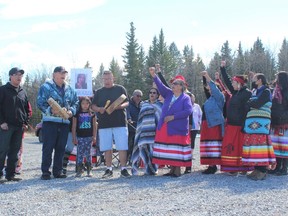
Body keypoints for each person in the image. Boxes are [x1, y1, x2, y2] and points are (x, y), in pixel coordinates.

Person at [149, 67, 192, 177]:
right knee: (169, 148)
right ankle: (172, 170)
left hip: (178, 127)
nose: (173, 85)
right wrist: (154, 75)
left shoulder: (185, 98)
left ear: (182, 86)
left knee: (176, 147)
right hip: (165, 126)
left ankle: (177, 170)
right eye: (172, 83)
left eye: (176, 84)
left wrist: (173, 117)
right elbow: (160, 86)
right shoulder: (168, 94)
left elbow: (188, 111)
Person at [37, 66, 78, 180]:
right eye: (61, 73)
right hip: (50, 122)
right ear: (54, 74)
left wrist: (71, 111)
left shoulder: (70, 89)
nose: (63, 75)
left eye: (65, 73)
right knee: (48, 147)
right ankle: (45, 171)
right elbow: (40, 102)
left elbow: (76, 103)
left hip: (64, 122)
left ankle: (58, 171)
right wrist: (51, 110)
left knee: (61, 148)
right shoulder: (46, 87)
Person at [91, 70, 131, 178]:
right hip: (104, 123)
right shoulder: (99, 92)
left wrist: (119, 107)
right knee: (107, 147)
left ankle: (123, 169)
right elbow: (92, 106)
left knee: (122, 146)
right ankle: (109, 169)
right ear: (102, 80)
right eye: (105, 79)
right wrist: (99, 109)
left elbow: (127, 102)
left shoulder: (120, 89)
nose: (107, 81)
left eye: (109, 79)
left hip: (120, 122)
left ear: (113, 78)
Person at [219, 61, 253, 175]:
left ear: (239, 83)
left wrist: (244, 124)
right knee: (230, 146)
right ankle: (232, 167)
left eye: (234, 82)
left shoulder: (247, 93)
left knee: (239, 147)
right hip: (231, 124)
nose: (232, 84)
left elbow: (247, 110)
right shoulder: (236, 92)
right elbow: (227, 81)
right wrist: (223, 69)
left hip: (240, 125)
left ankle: (242, 167)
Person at [242, 73, 276, 180]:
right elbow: (251, 103)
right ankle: (256, 168)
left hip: (261, 123)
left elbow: (257, 104)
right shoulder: (256, 91)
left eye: (255, 79)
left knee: (260, 144)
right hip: (253, 123)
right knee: (253, 144)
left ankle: (262, 170)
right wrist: (251, 102)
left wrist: (250, 102)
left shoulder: (266, 91)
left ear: (260, 80)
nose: (253, 81)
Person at [0, 67, 30, 182]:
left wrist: (25, 122)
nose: (19, 77)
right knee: (2, 150)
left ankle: (10, 175)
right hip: (6, 126)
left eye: (21, 75)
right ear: (10, 76)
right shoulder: (3, 90)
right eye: (17, 74)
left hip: (19, 127)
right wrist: (1, 122)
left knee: (14, 152)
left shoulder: (23, 92)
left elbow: (27, 109)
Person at [131, 87, 163, 175]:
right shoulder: (144, 104)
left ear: (157, 95)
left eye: (154, 93)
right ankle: (146, 168)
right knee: (143, 149)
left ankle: (153, 169)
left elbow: (160, 118)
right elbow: (141, 118)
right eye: (150, 92)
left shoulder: (160, 105)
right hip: (144, 131)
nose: (152, 94)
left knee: (153, 150)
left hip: (155, 131)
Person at [200, 71, 225, 174]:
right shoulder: (210, 99)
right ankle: (210, 164)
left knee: (213, 144)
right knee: (207, 144)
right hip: (206, 124)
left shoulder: (219, 98)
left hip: (214, 125)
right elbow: (206, 88)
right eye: (209, 90)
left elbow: (213, 88)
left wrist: (207, 76)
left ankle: (213, 165)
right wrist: (203, 78)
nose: (210, 91)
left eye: (211, 89)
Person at [72, 97, 97, 177]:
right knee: (80, 153)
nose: (85, 105)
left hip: (89, 136)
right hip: (80, 136)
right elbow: (74, 125)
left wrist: (94, 136)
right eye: (83, 103)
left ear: (89, 104)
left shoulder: (92, 114)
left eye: (87, 103)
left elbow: (94, 125)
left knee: (88, 153)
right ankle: (79, 169)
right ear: (80, 104)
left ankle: (89, 169)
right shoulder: (77, 113)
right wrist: (74, 137)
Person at [270, 71, 288, 175]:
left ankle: (284, 168)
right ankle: (277, 167)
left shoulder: (286, 91)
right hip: (275, 122)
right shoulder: (275, 91)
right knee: (276, 145)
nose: (276, 80)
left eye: (277, 78)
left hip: (284, 123)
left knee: (284, 146)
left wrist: (283, 116)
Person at [184, 92, 202, 174]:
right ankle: (186, 157)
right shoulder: (185, 105)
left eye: (192, 97)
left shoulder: (197, 106)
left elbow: (200, 115)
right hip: (186, 127)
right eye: (189, 97)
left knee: (192, 141)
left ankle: (190, 155)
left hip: (195, 127)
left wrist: (200, 123)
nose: (191, 99)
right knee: (186, 142)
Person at [127, 89, 143, 164]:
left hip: (140, 128)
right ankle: (129, 158)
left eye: (140, 96)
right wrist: (129, 119)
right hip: (131, 128)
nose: (139, 98)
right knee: (130, 144)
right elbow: (127, 114)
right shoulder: (128, 104)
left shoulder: (142, 104)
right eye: (137, 96)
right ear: (133, 96)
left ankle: (139, 159)